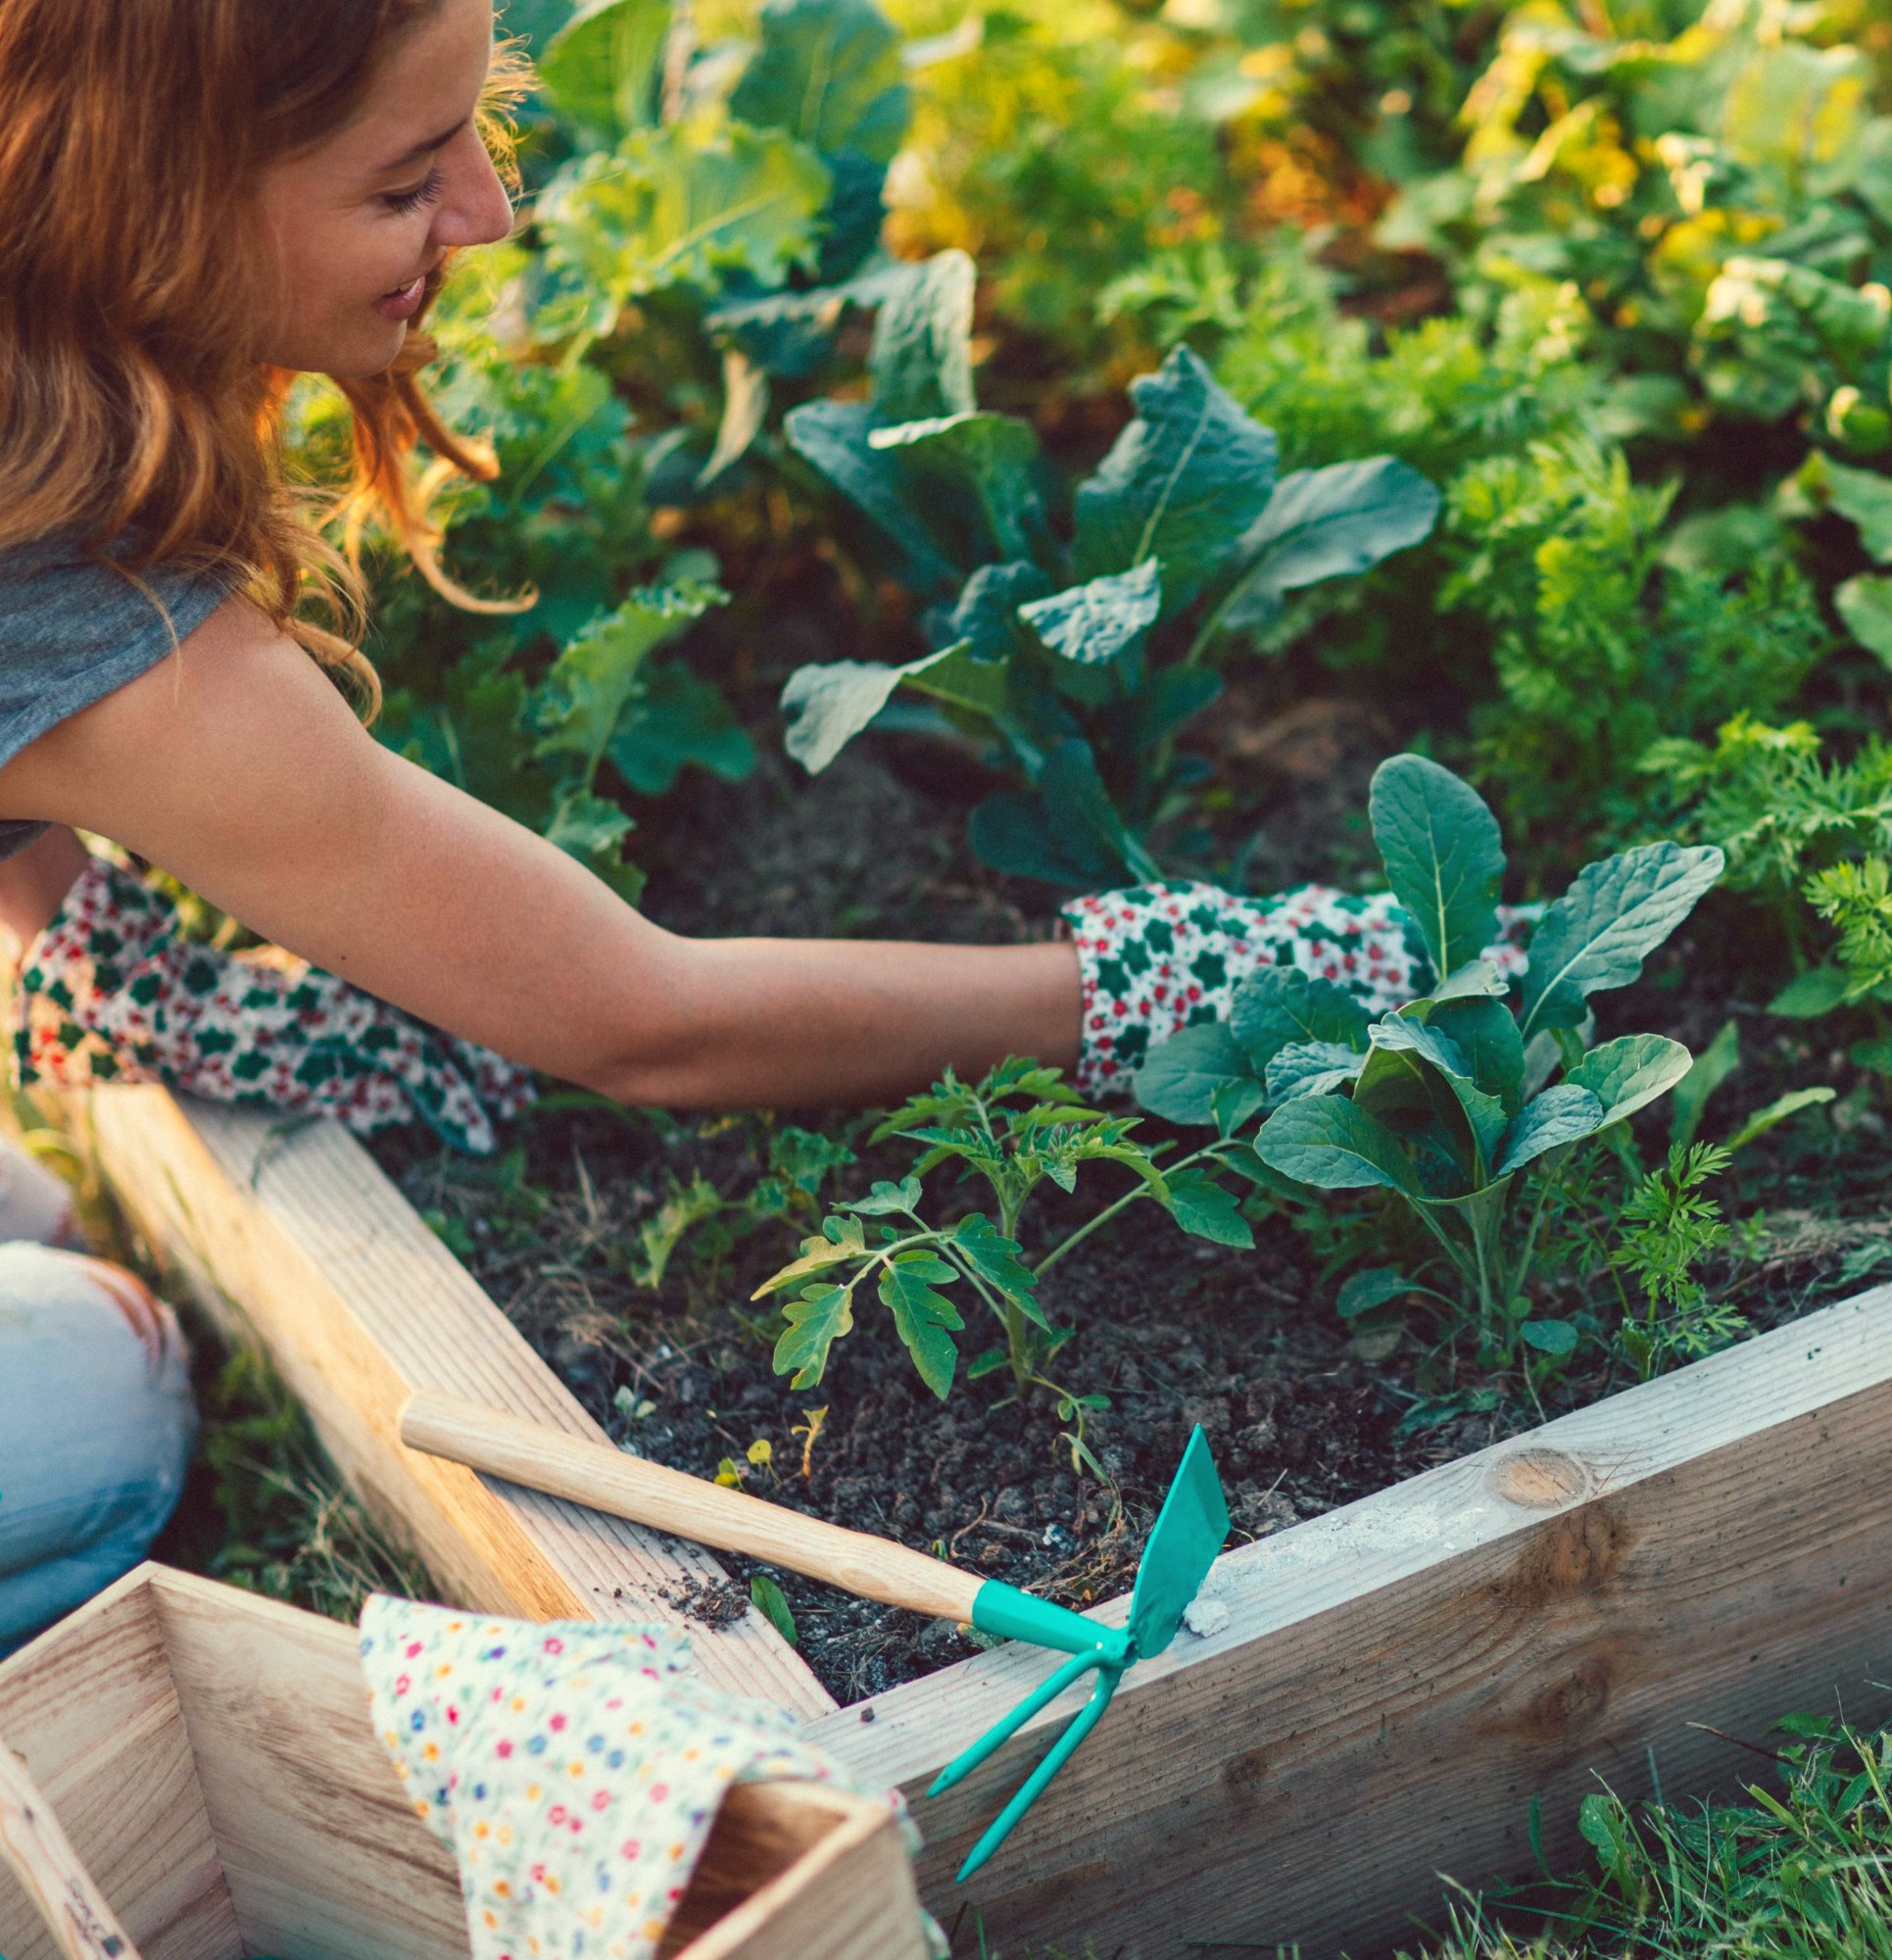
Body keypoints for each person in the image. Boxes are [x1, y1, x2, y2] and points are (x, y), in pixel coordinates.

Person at [0, 0, 1485, 1646]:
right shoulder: (100, 638)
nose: (491, 215)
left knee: (40, 1218)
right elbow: (648, 1021)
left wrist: (82, 935)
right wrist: (1166, 986)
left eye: (477, 128)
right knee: (115, 1391)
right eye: (408, 177)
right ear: (148, 205)